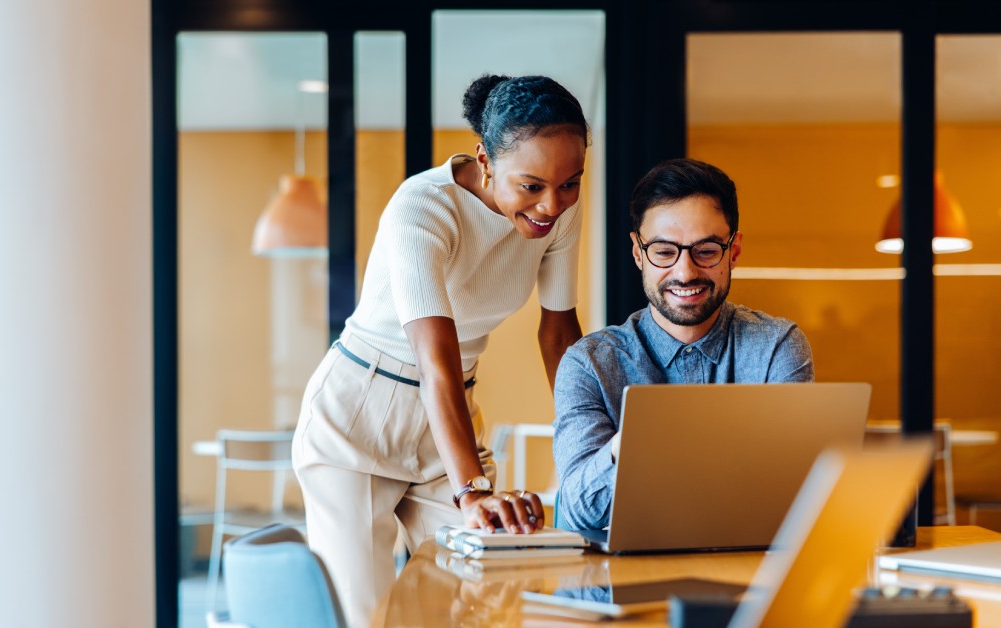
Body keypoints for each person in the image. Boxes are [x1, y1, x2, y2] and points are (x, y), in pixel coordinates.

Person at [291, 74, 590, 626]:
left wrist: (589, 443)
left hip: (447, 418)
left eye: (570, 182)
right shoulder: (422, 209)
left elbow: (559, 334)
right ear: (485, 159)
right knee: (368, 616)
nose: (553, 203)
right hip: (358, 418)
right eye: (532, 186)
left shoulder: (558, 211)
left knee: (485, 599)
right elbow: (436, 360)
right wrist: (472, 489)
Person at [553, 157, 815, 531]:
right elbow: (581, 509)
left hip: (745, 579)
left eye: (706, 251)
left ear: (734, 251)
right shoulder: (589, 364)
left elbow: (796, 497)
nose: (685, 271)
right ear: (637, 253)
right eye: (663, 251)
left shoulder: (777, 347)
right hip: (624, 582)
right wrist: (636, 442)